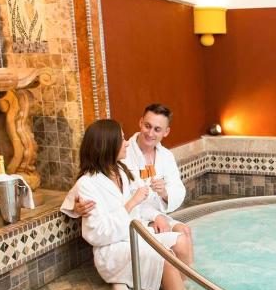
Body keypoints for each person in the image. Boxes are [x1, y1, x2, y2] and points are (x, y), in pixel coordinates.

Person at [63, 104, 193, 262]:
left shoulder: (166, 156)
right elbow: (88, 188)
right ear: (141, 122)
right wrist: (76, 207)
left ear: (166, 132)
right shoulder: (121, 154)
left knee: (185, 231)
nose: (150, 133)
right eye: (147, 126)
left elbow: (178, 190)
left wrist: (165, 194)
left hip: (149, 215)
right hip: (133, 220)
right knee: (171, 247)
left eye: (157, 129)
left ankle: (186, 275)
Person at [73, 119, 190, 290]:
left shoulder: (120, 171)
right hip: (112, 249)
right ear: (108, 145)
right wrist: (131, 203)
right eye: (121, 139)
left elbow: (140, 206)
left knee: (181, 241)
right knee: (165, 258)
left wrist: (155, 216)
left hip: (134, 235)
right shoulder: (88, 184)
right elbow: (97, 234)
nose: (127, 143)